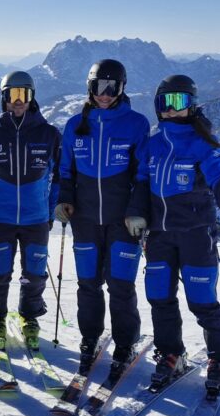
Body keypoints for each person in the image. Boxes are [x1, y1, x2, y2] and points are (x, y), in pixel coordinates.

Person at [126, 74, 220, 397]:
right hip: (159, 236)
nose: (172, 109)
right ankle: (171, 352)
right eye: (166, 101)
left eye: (180, 102)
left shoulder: (202, 143)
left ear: (191, 105)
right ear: (158, 106)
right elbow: (140, 182)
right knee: (160, 297)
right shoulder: (152, 144)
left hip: (196, 235)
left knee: (202, 301)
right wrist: (136, 211)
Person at [55, 59, 150, 380]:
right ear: (89, 88)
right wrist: (64, 199)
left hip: (123, 222)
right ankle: (90, 337)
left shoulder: (136, 124)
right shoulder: (74, 125)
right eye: (99, 87)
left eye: (112, 88)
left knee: (121, 286)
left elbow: (143, 175)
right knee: (88, 284)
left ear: (122, 88)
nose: (105, 94)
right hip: (84, 220)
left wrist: (137, 210)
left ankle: (125, 344)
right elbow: (65, 170)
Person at [0, 71, 60, 350]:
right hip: (2, 218)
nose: (18, 101)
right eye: (12, 95)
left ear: (32, 97)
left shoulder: (48, 134)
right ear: (4, 99)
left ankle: (30, 318)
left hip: (36, 219)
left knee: (34, 274)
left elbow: (61, 175)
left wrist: (50, 209)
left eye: (24, 95)